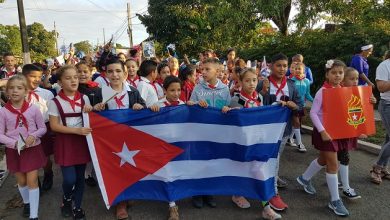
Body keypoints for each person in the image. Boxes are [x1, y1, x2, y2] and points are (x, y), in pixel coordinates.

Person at [93, 58, 145, 220]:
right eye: (110, 71)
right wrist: (96, 109)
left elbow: (143, 108)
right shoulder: (100, 93)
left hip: (129, 137)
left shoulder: (133, 92)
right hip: (109, 139)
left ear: (125, 73)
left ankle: (127, 194)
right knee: (115, 169)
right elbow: (93, 117)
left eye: (118, 71)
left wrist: (139, 107)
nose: (114, 75)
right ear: (105, 74)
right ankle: (120, 203)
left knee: (129, 167)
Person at [296, 59, 350, 216]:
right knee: (333, 165)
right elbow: (313, 112)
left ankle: (304, 178)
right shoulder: (323, 91)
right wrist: (322, 131)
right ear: (327, 74)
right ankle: (334, 200)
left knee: (324, 160)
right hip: (325, 133)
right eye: (334, 73)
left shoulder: (342, 89)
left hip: (337, 132)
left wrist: (368, 101)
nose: (338, 76)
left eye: (340, 72)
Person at [226, 68, 281, 219]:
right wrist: (228, 110)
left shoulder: (259, 98)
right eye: (247, 80)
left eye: (254, 80)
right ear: (240, 82)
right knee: (242, 169)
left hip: (257, 142)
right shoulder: (236, 100)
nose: (251, 84)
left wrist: (280, 106)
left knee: (258, 171)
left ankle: (266, 207)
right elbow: (231, 122)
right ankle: (237, 194)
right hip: (242, 144)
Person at [256, 53, 303, 211]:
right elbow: (253, 102)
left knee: (274, 161)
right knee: (264, 160)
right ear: (270, 66)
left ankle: (272, 193)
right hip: (264, 131)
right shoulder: (262, 83)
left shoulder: (291, 85)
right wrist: (262, 92)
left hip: (283, 131)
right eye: (278, 65)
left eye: (284, 65)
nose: (282, 69)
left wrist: (294, 106)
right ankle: (260, 189)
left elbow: (300, 105)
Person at [48, 65, 94, 220]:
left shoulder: (84, 98)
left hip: (81, 143)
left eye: (75, 77)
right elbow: (54, 126)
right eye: (68, 78)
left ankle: (77, 207)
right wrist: (77, 131)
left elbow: (90, 119)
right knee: (69, 179)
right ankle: (67, 198)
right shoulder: (55, 101)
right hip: (66, 144)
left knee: (80, 177)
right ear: (60, 82)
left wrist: (91, 109)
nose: (73, 80)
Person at [0, 75, 47, 220]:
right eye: (11, 88)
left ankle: (34, 215)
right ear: (7, 92)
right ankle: (27, 202)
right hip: (14, 150)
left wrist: (34, 135)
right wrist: (14, 143)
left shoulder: (33, 109)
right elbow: (0, 134)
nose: (15, 91)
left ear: (26, 91)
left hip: (32, 149)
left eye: (19, 88)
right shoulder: (3, 111)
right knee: (21, 180)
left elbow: (43, 128)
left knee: (32, 180)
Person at [188, 57, 231, 208]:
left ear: (218, 71)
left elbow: (229, 108)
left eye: (207, 69)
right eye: (202, 69)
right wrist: (195, 104)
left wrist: (228, 109)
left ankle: (209, 192)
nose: (203, 72)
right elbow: (189, 104)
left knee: (212, 163)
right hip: (200, 134)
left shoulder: (225, 89)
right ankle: (197, 193)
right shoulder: (198, 88)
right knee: (199, 162)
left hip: (217, 134)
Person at [338, 67, 375, 198]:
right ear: (343, 81)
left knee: (335, 158)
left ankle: (305, 178)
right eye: (351, 79)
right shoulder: (338, 93)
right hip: (338, 134)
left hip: (347, 133)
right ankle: (346, 187)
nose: (355, 81)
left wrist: (371, 101)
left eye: (357, 79)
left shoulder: (358, 93)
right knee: (338, 158)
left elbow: (362, 111)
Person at [22, 64, 56, 191]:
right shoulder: (18, 93)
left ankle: (48, 173)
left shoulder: (47, 94)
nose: (37, 79)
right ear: (23, 76)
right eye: (32, 76)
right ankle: (35, 183)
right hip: (25, 130)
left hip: (44, 128)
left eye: (39, 77)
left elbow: (52, 114)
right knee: (29, 157)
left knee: (44, 157)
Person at [75, 61, 103, 187]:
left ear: (91, 72)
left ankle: (89, 173)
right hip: (76, 126)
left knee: (92, 151)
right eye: (79, 71)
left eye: (85, 71)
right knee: (80, 150)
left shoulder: (98, 89)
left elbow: (104, 107)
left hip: (94, 127)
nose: (82, 74)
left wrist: (99, 106)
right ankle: (80, 174)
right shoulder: (71, 88)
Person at [371, 50, 390, 184]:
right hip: (388, 105)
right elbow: (381, 87)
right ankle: (377, 168)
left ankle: (382, 168)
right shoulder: (384, 65)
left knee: (388, 138)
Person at [289, 62, 313, 152]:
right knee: (297, 123)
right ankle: (299, 144)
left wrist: (315, 101)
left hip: (301, 106)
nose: (297, 70)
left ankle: (290, 138)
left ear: (303, 70)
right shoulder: (290, 81)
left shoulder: (306, 81)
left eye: (299, 69)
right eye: (295, 69)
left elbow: (307, 94)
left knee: (295, 123)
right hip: (292, 106)